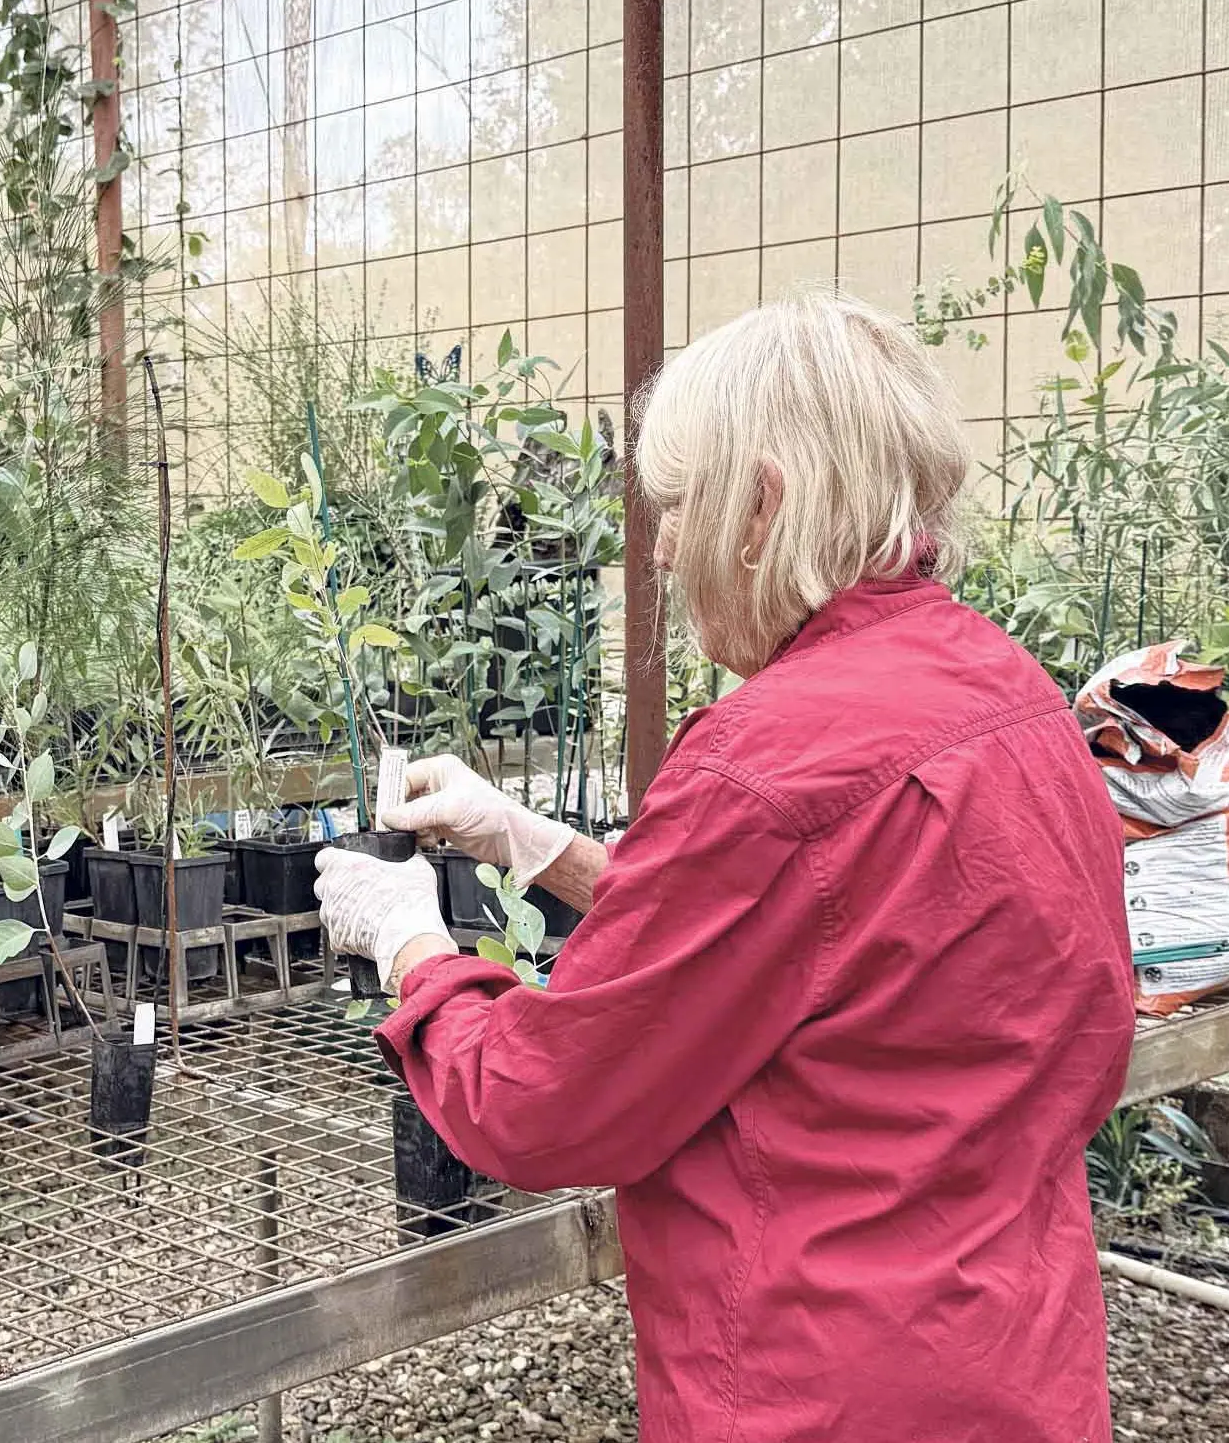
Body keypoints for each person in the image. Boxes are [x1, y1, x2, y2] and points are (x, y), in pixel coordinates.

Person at [315, 290, 1134, 1443]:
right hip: (1008, 1354)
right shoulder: (1008, 695)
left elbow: (544, 1108)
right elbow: (838, 954)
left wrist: (410, 945)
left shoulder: (772, 761)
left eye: (676, 506)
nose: (656, 550)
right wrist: (534, 844)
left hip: (818, 1384)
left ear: (760, 507)